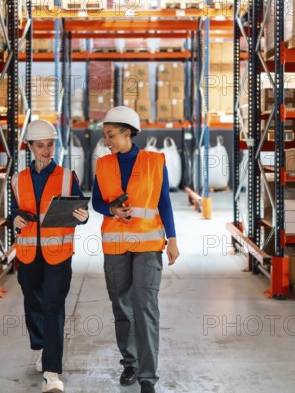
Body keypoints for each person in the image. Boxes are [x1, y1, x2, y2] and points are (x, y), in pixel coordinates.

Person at [92, 106, 180, 393]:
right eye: (106, 136)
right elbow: (95, 202)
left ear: (127, 133)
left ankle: (147, 377)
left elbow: (164, 202)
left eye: (112, 135)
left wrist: (174, 239)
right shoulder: (103, 165)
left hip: (147, 245)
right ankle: (129, 362)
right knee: (121, 307)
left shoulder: (155, 161)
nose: (108, 141)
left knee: (145, 309)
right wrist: (112, 209)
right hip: (115, 245)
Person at [10, 119, 89, 393]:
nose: (46, 150)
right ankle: (43, 347)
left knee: (53, 308)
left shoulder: (68, 177)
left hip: (58, 254)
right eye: (40, 145)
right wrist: (16, 220)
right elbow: (15, 212)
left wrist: (84, 216)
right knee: (33, 304)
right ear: (30, 147)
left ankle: (52, 372)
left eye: (50, 144)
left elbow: (80, 209)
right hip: (29, 254)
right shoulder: (18, 180)